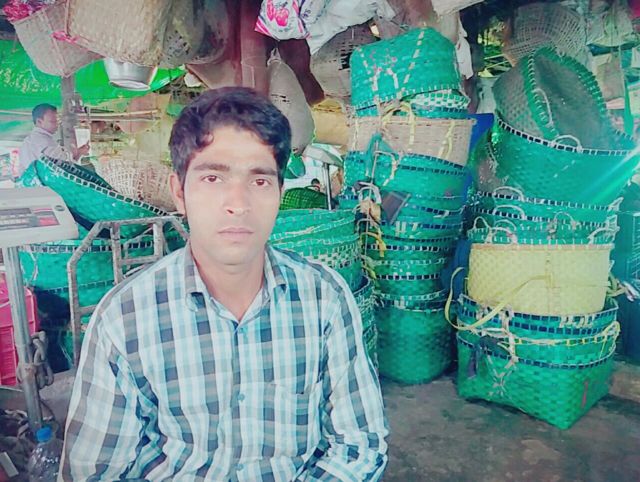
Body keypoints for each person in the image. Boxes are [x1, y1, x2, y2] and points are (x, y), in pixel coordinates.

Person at [60, 87, 389, 481]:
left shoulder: (324, 298)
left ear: (280, 193)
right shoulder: (124, 318)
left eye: (260, 181)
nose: (238, 203)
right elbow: (94, 471)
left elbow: (358, 446)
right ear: (179, 193)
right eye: (213, 177)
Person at [17, 104, 89, 177]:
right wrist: (76, 154)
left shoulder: (27, 141)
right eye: (53, 121)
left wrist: (79, 153)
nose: (57, 124)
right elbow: (66, 167)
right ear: (39, 121)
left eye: (57, 121)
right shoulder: (43, 141)